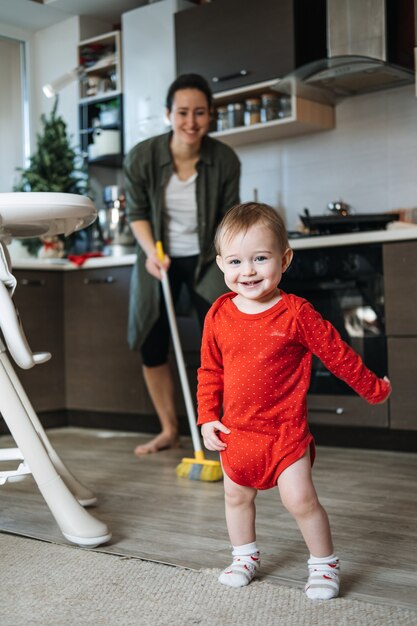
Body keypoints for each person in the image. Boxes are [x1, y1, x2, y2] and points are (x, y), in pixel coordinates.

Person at [197, 202, 391, 600]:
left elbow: (338, 355)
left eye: (260, 258)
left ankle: (324, 564)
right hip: (237, 431)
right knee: (235, 496)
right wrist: (206, 418)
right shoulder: (218, 314)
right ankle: (244, 557)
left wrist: (374, 388)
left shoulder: (296, 313)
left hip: (284, 432)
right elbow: (209, 371)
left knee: (300, 499)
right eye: (235, 261)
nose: (247, 271)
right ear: (221, 264)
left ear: (284, 259)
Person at [124, 73, 240, 456]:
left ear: (211, 116)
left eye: (200, 113)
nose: (191, 122)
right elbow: (138, 212)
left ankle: (226, 430)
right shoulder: (142, 157)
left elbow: (229, 219)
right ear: (168, 114)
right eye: (183, 112)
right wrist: (151, 254)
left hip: (210, 260)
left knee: (225, 344)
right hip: (158, 257)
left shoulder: (224, 160)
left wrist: (232, 263)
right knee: (153, 344)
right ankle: (170, 430)